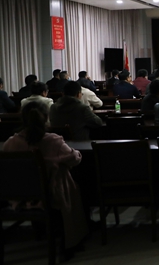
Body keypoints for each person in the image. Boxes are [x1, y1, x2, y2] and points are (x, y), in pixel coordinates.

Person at [3, 100, 88, 260]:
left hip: (19, 198)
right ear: (46, 118)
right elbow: (74, 159)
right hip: (50, 196)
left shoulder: (11, 143)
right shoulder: (53, 141)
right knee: (69, 179)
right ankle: (73, 238)